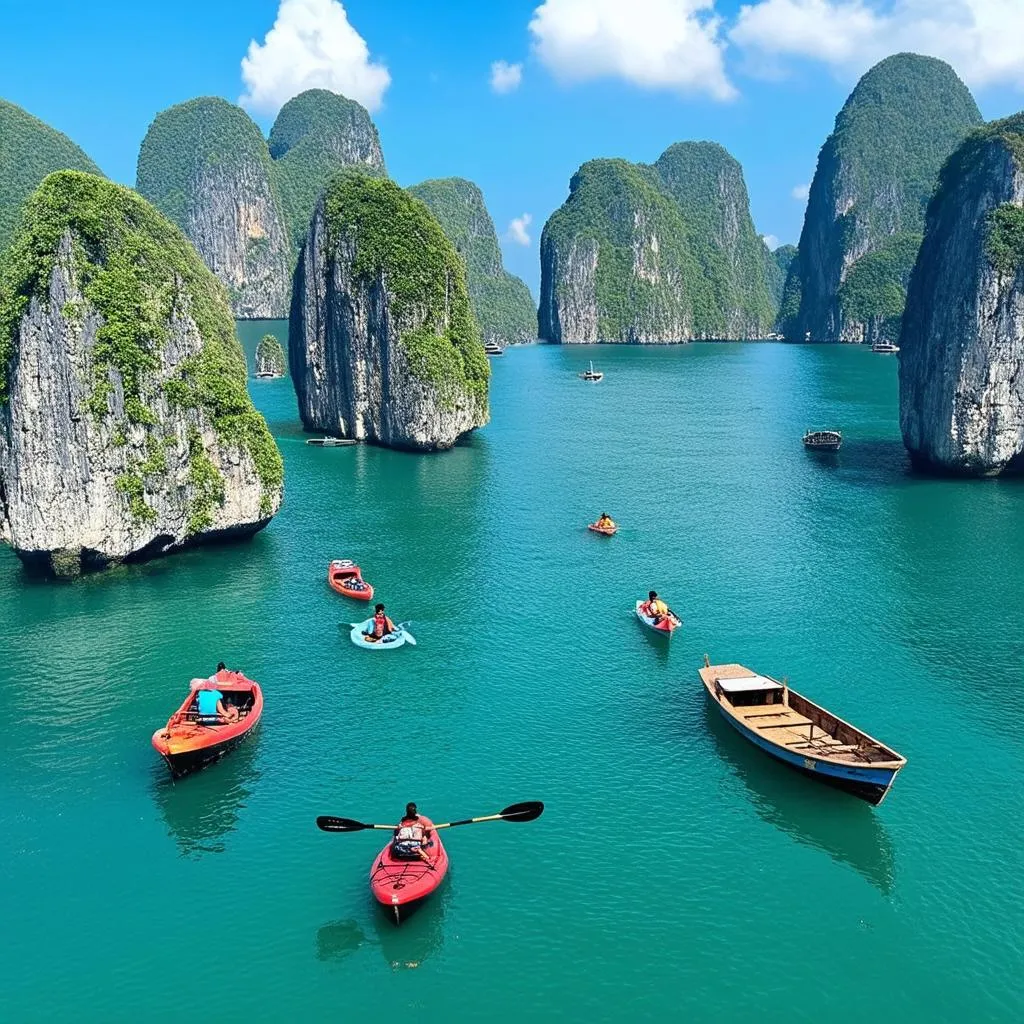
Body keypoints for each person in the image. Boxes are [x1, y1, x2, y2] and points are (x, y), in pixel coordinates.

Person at [392, 802, 435, 867]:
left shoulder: (401, 824)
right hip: (415, 851)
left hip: (400, 850)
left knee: (396, 837)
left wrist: (398, 829)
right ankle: (425, 853)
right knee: (424, 837)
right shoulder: (419, 825)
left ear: (406, 811)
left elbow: (395, 834)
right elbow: (423, 834)